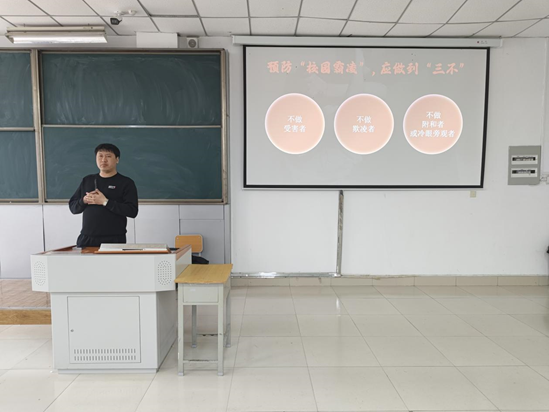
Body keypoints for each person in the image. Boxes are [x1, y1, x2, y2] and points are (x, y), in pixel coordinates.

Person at [69, 143, 138, 248]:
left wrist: (105, 202)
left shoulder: (126, 183)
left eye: (108, 156)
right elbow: (73, 208)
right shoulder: (87, 180)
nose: (103, 160)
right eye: (100, 156)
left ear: (117, 159)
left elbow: (132, 211)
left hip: (114, 239)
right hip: (87, 238)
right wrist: (84, 200)